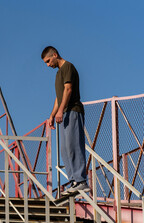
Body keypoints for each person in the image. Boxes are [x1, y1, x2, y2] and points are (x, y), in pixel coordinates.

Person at [41, 46, 89, 195]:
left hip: (73, 110)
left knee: (74, 145)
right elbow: (59, 96)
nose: (48, 65)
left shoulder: (68, 67)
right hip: (64, 113)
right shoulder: (58, 74)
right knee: (65, 149)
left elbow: (68, 90)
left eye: (49, 61)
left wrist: (61, 110)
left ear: (55, 55)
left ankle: (81, 180)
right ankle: (74, 180)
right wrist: (52, 115)